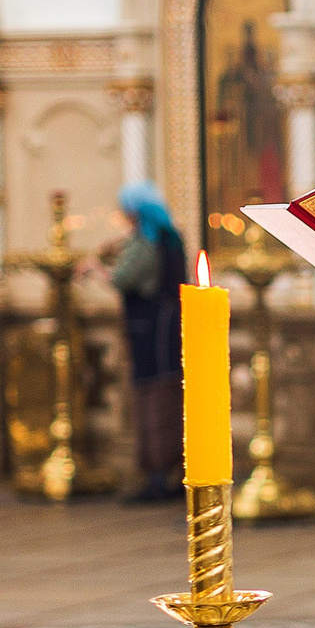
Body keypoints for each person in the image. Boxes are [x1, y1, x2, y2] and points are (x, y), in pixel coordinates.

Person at [102, 181, 189, 504]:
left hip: (150, 330)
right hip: (169, 328)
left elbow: (122, 278)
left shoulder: (145, 242)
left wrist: (97, 269)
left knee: (153, 397)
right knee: (168, 397)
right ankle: (174, 471)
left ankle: (156, 475)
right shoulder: (171, 238)